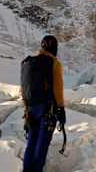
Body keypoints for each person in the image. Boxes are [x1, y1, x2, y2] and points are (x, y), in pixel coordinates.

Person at [21, 35, 66, 172]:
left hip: (31, 110)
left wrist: (26, 110)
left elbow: (23, 89)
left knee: (31, 143)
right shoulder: (53, 62)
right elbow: (57, 88)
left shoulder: (28, 63)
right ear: (55, 48)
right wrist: (61, 110)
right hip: (47, 109)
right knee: (42, 145)